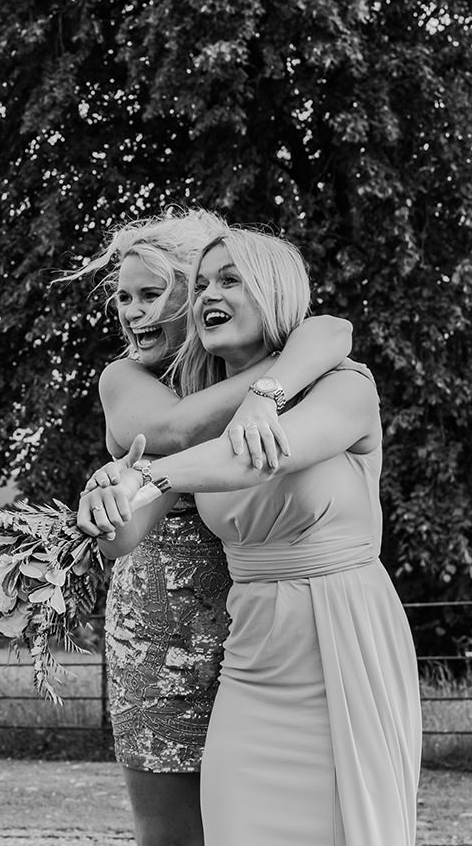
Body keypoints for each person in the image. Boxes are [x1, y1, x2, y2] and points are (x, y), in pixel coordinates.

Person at [80, 228, 421, 846]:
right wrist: (104, 503)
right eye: (203, 283)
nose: (209, 294)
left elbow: (260, 456)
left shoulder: (345, 385)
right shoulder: (187, 400)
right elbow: (123, 538)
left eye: (230, 280)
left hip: (341, 635)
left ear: (273, 293)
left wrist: (148, 472)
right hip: (252, 655)